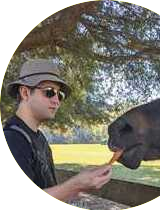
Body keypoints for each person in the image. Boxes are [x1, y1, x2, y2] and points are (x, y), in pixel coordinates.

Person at [3, 59, 112, 202]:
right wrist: (75, 184)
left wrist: (80, 185)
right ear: (25, 92)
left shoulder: (39, 138)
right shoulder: (12, 140)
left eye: (59, 95)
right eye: (49, 92)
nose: (57, 101)